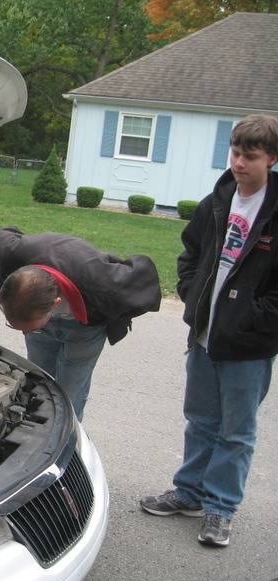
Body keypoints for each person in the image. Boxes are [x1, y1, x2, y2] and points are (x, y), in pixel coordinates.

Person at [140, 114, 278, 548]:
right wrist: (190, 291)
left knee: (236, 432)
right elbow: (190, 252)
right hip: (203, 336)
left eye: (250, 156)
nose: (239, 163)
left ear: (272, 160)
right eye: (235, 153)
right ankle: (190, 493)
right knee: (200, 421)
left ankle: (221, 508)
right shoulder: (216, 201)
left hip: (248, 346)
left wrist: (252, 319)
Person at [0, 226, 161, 420]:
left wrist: (112, 316)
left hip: (86, 327)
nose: (24, 334)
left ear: (55, 304)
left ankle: (68, 435)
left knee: (69, 398)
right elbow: (3, 235)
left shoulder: (104, 285)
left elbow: (145, 282)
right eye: (19, 328)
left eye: (29, 328)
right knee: (39, 383)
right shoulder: (7, 258)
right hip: (49, 303)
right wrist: (32, 327)